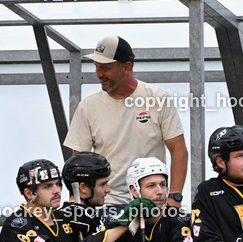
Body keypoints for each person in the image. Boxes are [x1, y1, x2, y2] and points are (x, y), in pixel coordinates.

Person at [63, 36, 188, 207]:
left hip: (151, 204)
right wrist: (81, 206)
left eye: (105, 67)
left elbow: (179, 150)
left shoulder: (158, 99)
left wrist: (174, 198)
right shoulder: (88, 106)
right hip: (107, 205)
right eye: (96, 66)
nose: (99, 73)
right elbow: (79, 163)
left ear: (126, 67)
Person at [72, 158, 195, 242]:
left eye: (163, 184)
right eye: (151, 186)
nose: (160, 191)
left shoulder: (177, 216)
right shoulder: (117, 217)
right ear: (134, 190)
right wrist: (125, 225)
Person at [0, 159, 79, 242]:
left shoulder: (66, 218)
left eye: (58, 184)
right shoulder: (16, 224)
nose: (57, 190)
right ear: (29, 194)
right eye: (47, 186)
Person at [55, 151, 112, 242]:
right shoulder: (61, 221)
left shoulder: (95, 216)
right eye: (103, 184)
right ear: (83, 188)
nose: (108, 189)